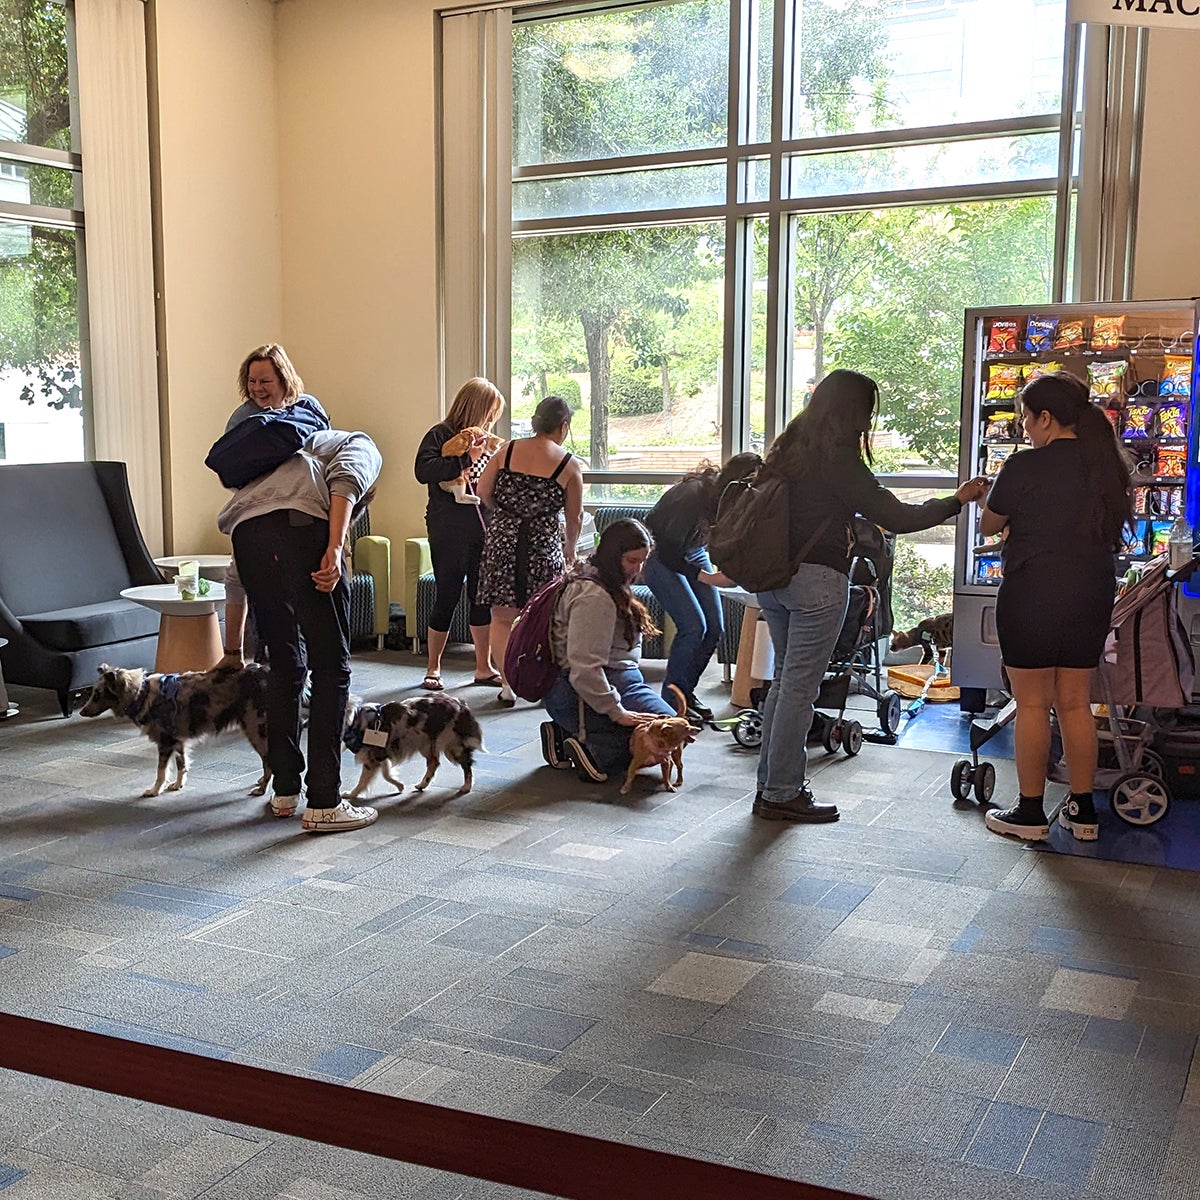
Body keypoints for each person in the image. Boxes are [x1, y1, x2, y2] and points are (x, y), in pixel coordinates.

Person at [751, 369, 989, 823]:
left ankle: (770, 786)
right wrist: (956, 501)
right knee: (799, 689)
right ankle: (781, 793)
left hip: (772, 581)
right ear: (856, 412)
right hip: (817, 583)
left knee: (785, 684)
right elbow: (895, 516)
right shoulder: (838, 458)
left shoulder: (787, 449)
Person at [978, 373, 1131, 842]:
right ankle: (1083, 812)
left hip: (1032, 592)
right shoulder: (1103, 466)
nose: (1024, 428)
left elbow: (989, 525)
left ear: (1046, 418)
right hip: (1091, 592)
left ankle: (1029, 813)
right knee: (1075, 704)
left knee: (1031, 703)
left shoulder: (1025, 466)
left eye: (1026, 417)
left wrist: (990, 500)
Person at [217, 423, 382, 833]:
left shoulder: (280, 459)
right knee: (332, 667)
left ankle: (285, 791)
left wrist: (233, 649)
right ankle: (324, 801)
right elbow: (346, 482)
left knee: (285, 666)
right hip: (301, 530)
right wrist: (336, 546)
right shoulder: (358, 443)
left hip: (245, 536)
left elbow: (236, 577)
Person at [540, 518, 675, 782]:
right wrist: (617, 712)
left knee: (667, 729)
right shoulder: (594, 597)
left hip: (609, 681)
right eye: (632, 561)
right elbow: (584, 669)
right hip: (578, 690)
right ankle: (595, 751)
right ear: (615, 556)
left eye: (642, 561)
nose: (638, 569)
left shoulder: (593, 574)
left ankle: (568, 734)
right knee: (664, 734)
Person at [220, 344, 328, 663]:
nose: (257, 389)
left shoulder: (309, 408)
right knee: (238, 575)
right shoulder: (242, 418)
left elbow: (324, 454)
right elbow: (231, 472)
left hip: (306, 513)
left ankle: (311, 662)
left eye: (265, 381)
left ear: (283, 378)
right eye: (252, 381)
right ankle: (234, 654)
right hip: (257, 513)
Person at [475, 395, 584, 707]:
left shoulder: (506, 449)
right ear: (563, 426)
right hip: (542, 542)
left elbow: (484, 491)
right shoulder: (567, 464)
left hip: (503, 540)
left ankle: (508, 684)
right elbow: (574, 516)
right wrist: (570, 549)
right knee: (540, 617)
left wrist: (506, 515)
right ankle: (536, 682)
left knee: (501, 618)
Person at [642, 453, 761, 720]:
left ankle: (685, 692)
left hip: (693, 550)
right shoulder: (693, 494)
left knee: (714, 628)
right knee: (693, 627)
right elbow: (670, 550)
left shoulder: (728, 501)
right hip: (659, 554)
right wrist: (705, 577)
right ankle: (672, 704)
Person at [413, 378, 505, 691]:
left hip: (484, 524)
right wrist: (468, 458)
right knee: (447, 594)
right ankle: (433, 666)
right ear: (476, 408)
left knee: (482, 597)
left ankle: (483, 666)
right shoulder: (440, 434)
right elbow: (423, 471)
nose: (491, 420)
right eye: (489, 412)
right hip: (447, 526)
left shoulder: (490, 440)